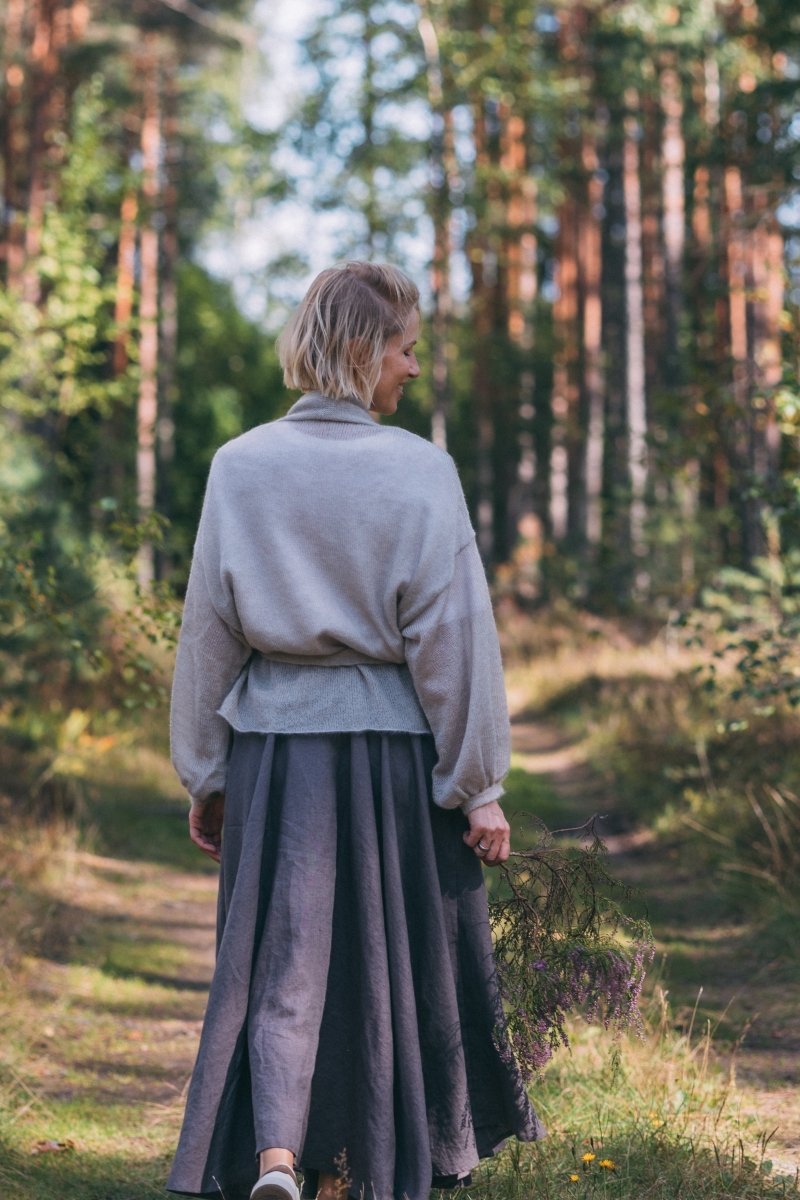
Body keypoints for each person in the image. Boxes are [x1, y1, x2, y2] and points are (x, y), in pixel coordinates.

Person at [167, 262, 545, 1200]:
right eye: (407, 349)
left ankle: (278, 1159)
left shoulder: (238, 465)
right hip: (390, 753)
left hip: (272, 749)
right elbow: (454, 638)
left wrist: (205, 773)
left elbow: (207, 634)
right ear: (362, 349)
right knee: (394, 963)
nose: (413, 371)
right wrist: (478, 783)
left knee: (280, 958)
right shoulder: (420, 470)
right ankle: (389, 1158)